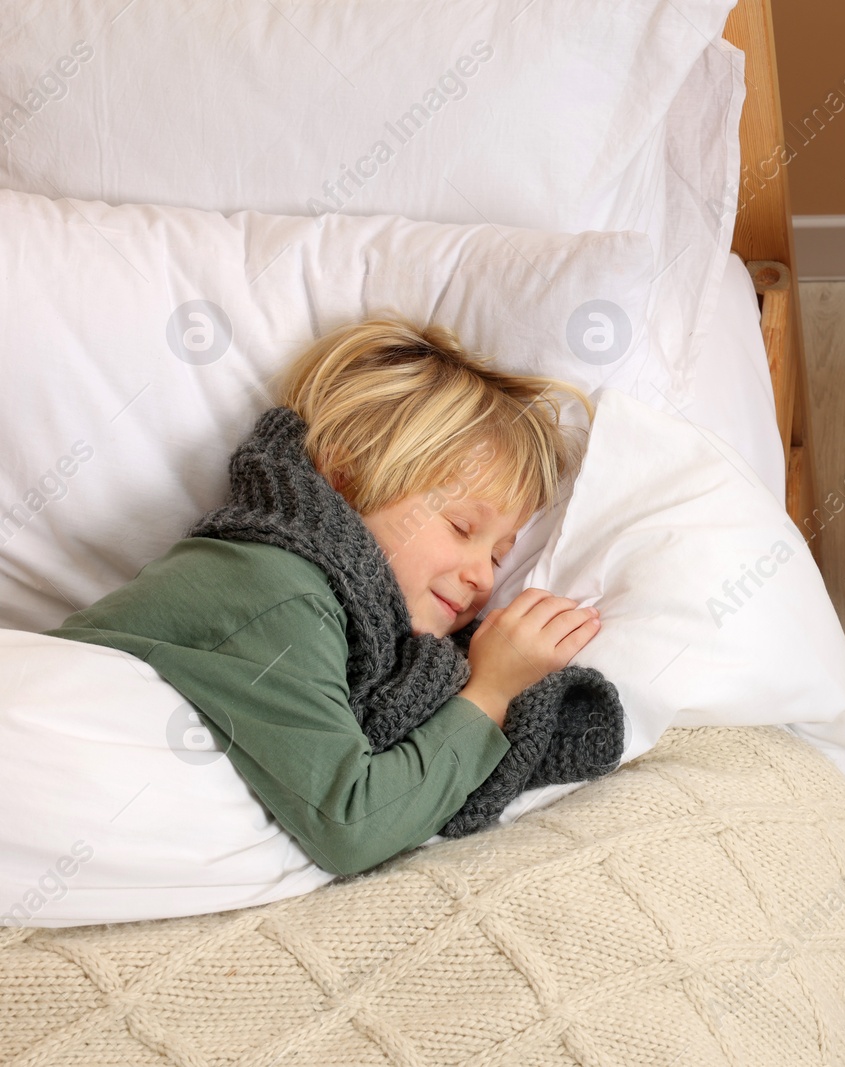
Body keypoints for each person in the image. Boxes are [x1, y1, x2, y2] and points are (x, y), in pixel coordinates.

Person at [42, 318, 617, 876]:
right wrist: (490, 692)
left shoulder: (329, 602)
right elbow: (351, 826)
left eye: (498, 556)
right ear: (343, 477)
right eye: (463, 528)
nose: (484, 580)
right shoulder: (277, 591)